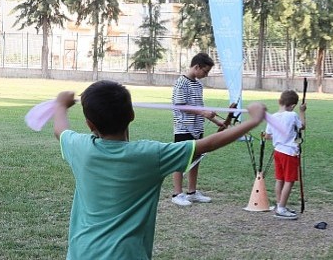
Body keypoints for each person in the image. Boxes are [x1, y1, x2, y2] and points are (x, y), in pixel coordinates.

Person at [53, 80, 266, 259]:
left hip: (82, 252)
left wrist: (61, 104)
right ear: (132, 114)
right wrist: (254, 120)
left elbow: (60, 130)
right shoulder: (151, 155)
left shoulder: (80, 147)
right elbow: (208, 144)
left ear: (90, 124)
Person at [171, 52, 224, 206]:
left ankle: (192, 192)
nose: (206, 75)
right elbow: (180, 106)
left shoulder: (198, 84)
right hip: (183, 128)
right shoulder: (181, 83)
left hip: (197, 128)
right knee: (180, 160)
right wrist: (203, 112)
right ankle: (177, 194)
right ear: (196, 67)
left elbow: (200, 107)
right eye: (205, 71)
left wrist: (216, 121)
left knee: (196, 159)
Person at [264, 89, 306, 220]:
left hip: (278, 151)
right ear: (293, 105)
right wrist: (302, 112)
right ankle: (281, 208)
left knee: (280, 179)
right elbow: (302, 126)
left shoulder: (272, 117)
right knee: (289, 181)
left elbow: (267, 136)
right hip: (289, 152)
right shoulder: (292, 115)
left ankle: (279, 204)